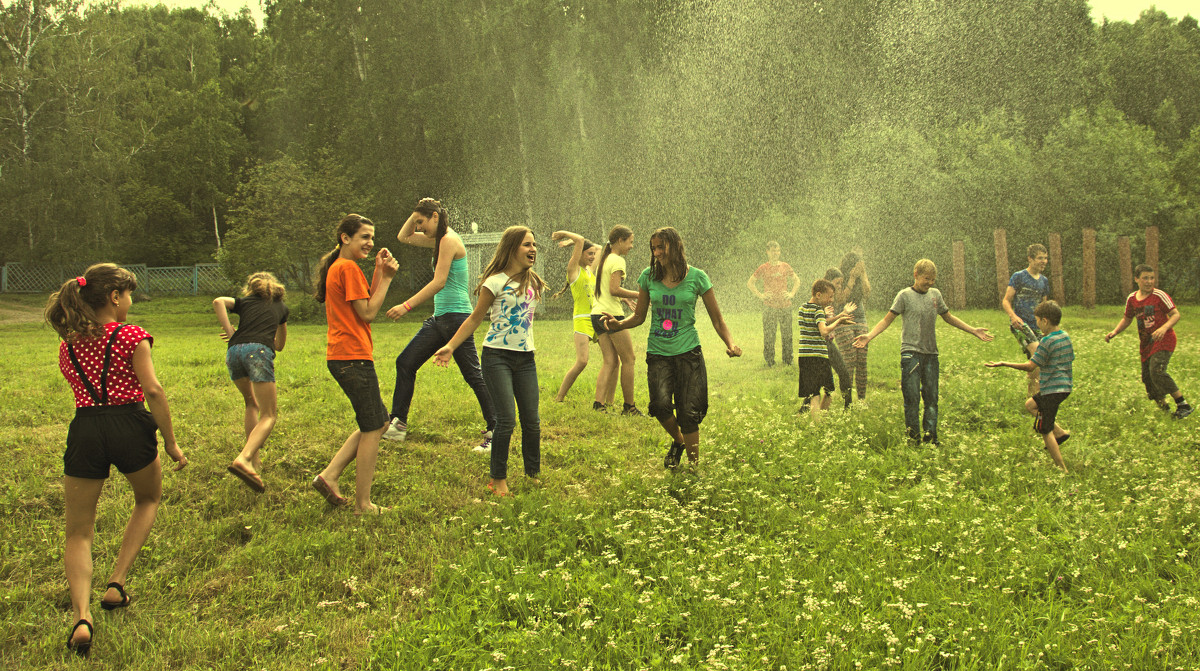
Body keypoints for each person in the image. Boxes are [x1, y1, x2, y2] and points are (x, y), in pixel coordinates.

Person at [45, 263, 187, 657]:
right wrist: (172, 443)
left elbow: (79, 387)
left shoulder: (69, 343)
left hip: (85, 428)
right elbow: (153, 391)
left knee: (78, 532)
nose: (130, 302)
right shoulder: (131, 335)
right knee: (147, 499)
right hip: (129, 423)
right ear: (114, 297)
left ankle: (82, 617)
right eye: (128, 296)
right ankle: (116, 583)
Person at [602, 227, 742, 469]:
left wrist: (730, 344)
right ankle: (678, 442)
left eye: (660, 247)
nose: (656, 252)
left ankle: (694, 467)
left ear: (675, 247)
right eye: (653, 248)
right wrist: (618, 324)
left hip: (689, 352)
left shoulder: (698, 277)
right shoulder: (648, 277)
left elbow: (717, 319)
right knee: (659, 405)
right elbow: (639, 316)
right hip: (658, 353)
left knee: (689, 413)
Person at [435, 226, 544, 497]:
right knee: (506, 419)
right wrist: (450, 346)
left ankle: (533, 474)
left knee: (532, 420)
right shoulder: (494, 281)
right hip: (497, 357)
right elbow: (474, 318)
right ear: (511, 248)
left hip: (526, 358)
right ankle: (498, 480)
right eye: (526, 245)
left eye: (534, 245)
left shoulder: (534, 282)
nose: (532, 249)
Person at [383, 198, 496, 453]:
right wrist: (414, 216)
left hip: (457, 318)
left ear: (435, 216)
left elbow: (439, 282)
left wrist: (406, 306)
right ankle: (398, 423)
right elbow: (404, 237)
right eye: (417, 222)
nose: (419, 227)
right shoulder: (438, 239)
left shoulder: (448, 240)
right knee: (405, 362)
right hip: (440, 319)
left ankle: (496, 428)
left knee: (473, 375)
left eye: (422, 222)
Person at [311, 214, 399, 514]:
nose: (370, 243)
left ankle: (329, 475)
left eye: (372, 238)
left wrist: (377, 271)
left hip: (345, 355)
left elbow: (363, 303)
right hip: (352, 357)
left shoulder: (342, 267)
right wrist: (387, 278)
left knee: (378, 422)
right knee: (374, 427)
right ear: (345, 238)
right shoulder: (347, 268)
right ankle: (363, 504)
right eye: (364, 237)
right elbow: (369, 313)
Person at [854, 259, 993, 444]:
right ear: (916, 275)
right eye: (926, 278)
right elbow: (887, 320)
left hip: (931, 354)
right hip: (910, 354)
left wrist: (973, 330)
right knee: (911, 399)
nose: (930, 283)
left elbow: (948, 317)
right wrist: (869, 336)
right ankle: (913, 438)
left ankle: (931, 437)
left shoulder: (935, 295)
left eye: (933, 279)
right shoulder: (904, 295)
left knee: (931, 399)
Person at [212, 272, 288, 492]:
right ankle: (244, 459)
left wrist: (231, 332)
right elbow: (280, 345)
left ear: (252, 288)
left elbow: (218, 302)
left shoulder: (245, 302)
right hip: (258, 352)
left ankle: (254, 462)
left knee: (251, 404)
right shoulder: (281, 307)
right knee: (269, 415)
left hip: (234, 352)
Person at [986, 301, 1073, 472]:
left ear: (1045, 321)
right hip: (1065, 387)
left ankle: (1062, 468)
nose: (1037, 324)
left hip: (1051, 390)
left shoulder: (1047, 342)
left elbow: (1030, 366)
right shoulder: (1065, 336)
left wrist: (1003, 363)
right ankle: (1061, 433)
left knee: (1045, 429)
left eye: (1038, 321)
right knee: (1030, 405)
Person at [1105, 264, 1192, 419]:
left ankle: (1183, 404)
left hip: (1164, 340)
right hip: (1146, 344)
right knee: (1147, 378)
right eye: (1145, 278)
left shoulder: (1159, 295)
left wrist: (1163, 328)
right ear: (1136, 279)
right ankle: (1165, 411)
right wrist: (1115, 332)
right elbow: (1127, 318)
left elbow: (1175, 314)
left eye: (1152, 278)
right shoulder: (1132, 299)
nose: (1149, 281)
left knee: (1157, 370)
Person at [590, 225, 644, 415]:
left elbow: (607, 290)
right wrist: (641, 295)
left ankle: (599, 404)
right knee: (629, 359)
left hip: (597, 314)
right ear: (620, 241)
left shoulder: (605, 259)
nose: (631, 246)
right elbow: (614, 289)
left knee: (610, 361)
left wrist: (626, 298)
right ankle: (629, 407)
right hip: (612, 315)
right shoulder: (618, 261)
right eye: (630, 242)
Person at [550, 230, 599, 402]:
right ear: (580, 254)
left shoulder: (589, 271)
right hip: (582, 320)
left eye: (593, 254)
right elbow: (581, 239)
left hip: (596, 318)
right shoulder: (574, 270)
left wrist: (572, 243)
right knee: (582, 362)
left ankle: (604, 400)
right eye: (589, 253)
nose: (593, 256)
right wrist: (564, 235)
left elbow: (600, 248)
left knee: (613, 358)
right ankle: (559, 397)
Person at [798, 278, 855, 421]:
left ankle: (814, 421)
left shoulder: (803, 308)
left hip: (805, 357)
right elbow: (823, 331)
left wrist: (839, 317)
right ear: (818, 295)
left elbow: (818, 321)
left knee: (813, 393)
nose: (831, 300)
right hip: (818, 356)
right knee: (828, 390)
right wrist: (838, 322)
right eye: (829, 296)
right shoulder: (818, 310)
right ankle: (818, 425)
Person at [1001, 243, 1050, 397]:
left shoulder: (1044, 281)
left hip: (1037, 326)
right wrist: (1013, 316)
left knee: (1038, 363)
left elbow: (1044, 306)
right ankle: (1034, 400)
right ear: (1030, 259)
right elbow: (1006, 301)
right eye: (1040, 258)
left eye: (1046, 258)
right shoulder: (1019, 277)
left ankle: (1033, 398)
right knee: (1037, 353)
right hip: (1021, 324)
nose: (1043, 261)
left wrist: (1047, 327)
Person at [747, 241, 800, 367]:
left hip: (785, 306)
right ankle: (769, 360)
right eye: (772, 251)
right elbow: (750, 283)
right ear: (767, 252)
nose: (775, 253)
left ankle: (788, 360)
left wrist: (791, 294)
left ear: (779, 252)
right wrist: (761, 295)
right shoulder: (763, 267)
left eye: (777, 251)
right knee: (769, 334)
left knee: (787, 334)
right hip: (769, 306)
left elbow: (797, 280)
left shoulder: (785, 266)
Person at [834, 250, 871, 403]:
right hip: (843, 318)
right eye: (855, 265)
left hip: (860, 317)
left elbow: (867, 293)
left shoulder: (861, 274)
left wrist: (862, 276)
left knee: (861, 359)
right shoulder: (840, 277)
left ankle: (861, 400)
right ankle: (847, 399)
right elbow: (841, 299)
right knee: (849, 358)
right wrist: (852, 278)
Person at [823, 267, 857, 409]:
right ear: (828, 283)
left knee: (841, 374)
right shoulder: (822, 299)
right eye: (837, 283)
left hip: (828, 343)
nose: (839, 286)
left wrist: (843, 314)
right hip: (821, 344)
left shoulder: (832, 300)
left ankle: (848, 407)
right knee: (834, 377)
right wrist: (841, 316)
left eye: (841, 283)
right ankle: (806, 409)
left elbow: (832, 321)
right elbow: (823, 322)